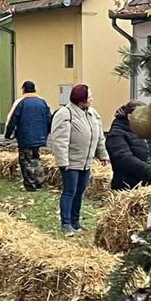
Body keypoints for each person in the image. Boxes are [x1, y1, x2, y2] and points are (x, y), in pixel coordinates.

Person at [47, 84, 110, 236]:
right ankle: (66, 223)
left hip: (86, 161)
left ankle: (75, 221)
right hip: (71, 162)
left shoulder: (93, 114)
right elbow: (60, 140)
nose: (92, 99)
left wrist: (103, 154)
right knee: (70, 191)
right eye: (89, 97)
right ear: (81, 99)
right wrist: (63, 162)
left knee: (80, 191)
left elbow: (99, 137)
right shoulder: (65, 114)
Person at [4, 81, 52, 191]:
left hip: (25, 137)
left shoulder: (21, 102)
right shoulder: (42, 102)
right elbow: (49, 119)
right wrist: (46, 133)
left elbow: (12, 119)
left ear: (24, 89)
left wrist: (8, 134)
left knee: (25, 161)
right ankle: (39, 182)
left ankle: (30, 185)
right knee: (36, 159)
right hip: (40, 137)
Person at [106, 101, 151, 191]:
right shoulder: (116, 134)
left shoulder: (144, 130)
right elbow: (124, 158)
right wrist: (150, 172)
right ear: (130, 116)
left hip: (145, 185)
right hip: (127, 187)